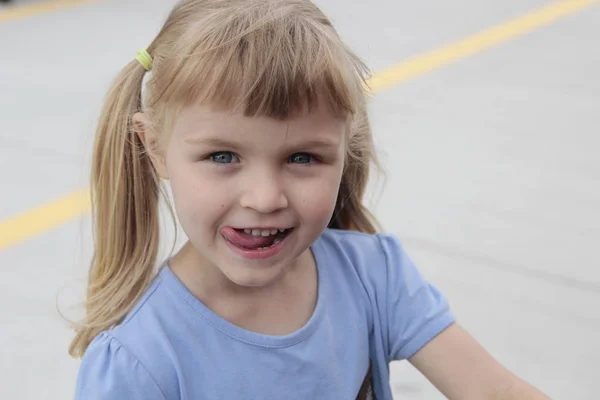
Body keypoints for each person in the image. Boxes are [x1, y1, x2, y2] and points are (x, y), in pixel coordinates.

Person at [70, 0, 551, 399]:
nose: (264, 198)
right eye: (222, 156)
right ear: (154, 148)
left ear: (346, 151)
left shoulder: (373, 275)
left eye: (302, 157)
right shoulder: (139, 363)